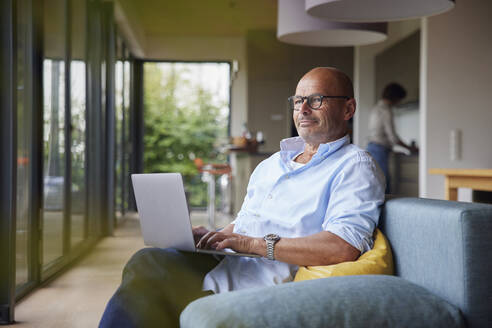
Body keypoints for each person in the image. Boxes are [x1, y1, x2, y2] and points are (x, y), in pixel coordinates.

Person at [99, 67, 385, 327]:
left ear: (348, 108)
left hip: (261, 282)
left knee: (149, 269)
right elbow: (246, 222)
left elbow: (343, 246)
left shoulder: (354, 165)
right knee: (147, 263)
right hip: (229, 262)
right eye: (297, 101)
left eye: (316, 99)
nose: (303, 109)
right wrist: (214, 237)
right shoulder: (272, 164)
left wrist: (252, 244)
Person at [366, 83, 418, 193]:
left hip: (371, 147)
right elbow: (393, 137)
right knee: (383, 183)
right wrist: (410, 148)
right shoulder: (386, 110)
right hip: (380, 149)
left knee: (375, 181)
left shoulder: (376, 108)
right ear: (396, 97)